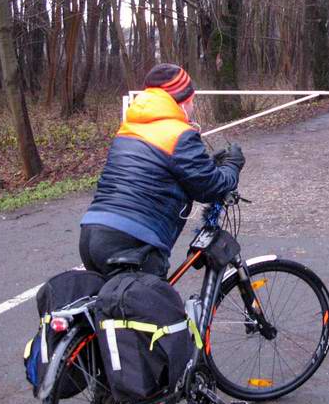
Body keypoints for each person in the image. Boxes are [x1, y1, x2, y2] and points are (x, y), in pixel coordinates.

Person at [79, 63, 245, 278]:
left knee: (114, 308)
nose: (193, 106)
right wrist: (232, 164)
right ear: (184, 100)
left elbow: (160, 172)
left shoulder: (129, 129)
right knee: (160, 309)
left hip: (93, 231)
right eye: (192, 100)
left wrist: (208, 165)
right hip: (134, 242)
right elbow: (211, 189)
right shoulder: (179, 133)